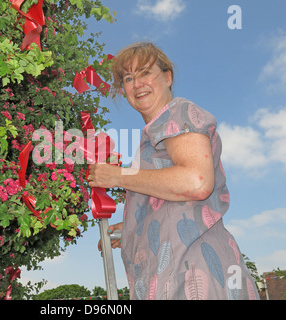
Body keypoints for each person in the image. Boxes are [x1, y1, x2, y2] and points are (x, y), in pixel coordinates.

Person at [88, 42, 259, 300]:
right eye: (129, 78)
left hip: (193, 275)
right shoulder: (156, 134)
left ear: (167, 77)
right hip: (173, 276)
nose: (137, 83)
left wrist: (117, 176)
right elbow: (173, 202)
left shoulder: (177, 113)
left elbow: (197, 182)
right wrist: (130, 228)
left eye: (146, 72)